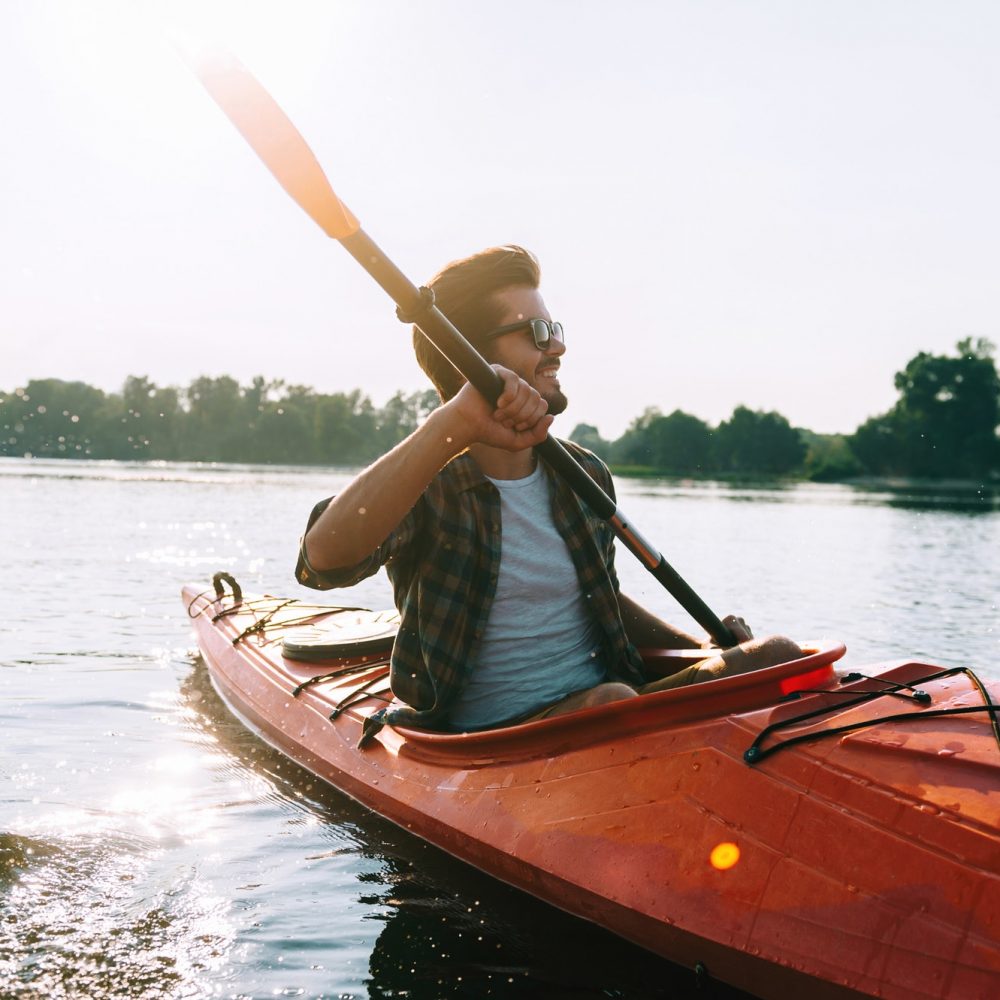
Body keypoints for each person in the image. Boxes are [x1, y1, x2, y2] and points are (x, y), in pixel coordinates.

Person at [296, 245, 801, 732]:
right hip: (497, 736)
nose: (557, 346)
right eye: (537, 333)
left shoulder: (583, 474)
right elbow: (321, 562)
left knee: (774, 655)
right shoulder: (423, 481)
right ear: (468, 357)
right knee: (611, 703)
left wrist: (701, 648)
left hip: (608, 704)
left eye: (555, 329)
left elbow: (602, 598)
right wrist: (453, 424)